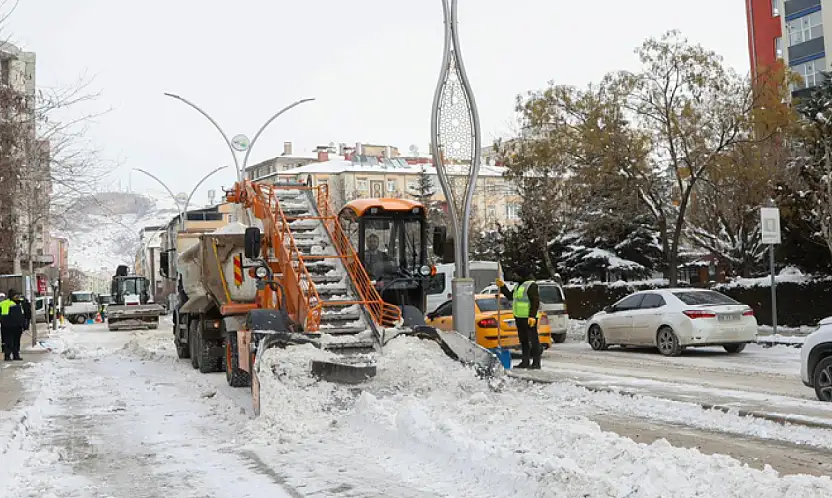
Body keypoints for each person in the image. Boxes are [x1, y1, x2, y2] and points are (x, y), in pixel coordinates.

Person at [496, 268, 542, 369]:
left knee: (533, 341)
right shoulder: (518, 286)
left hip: (529, 318)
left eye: (516, 274)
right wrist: (502, 286)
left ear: (522, 275)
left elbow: (535, 302)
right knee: (523, 340)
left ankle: (536, 363)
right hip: (519, 317)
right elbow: (510, 296)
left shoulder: (531, 285)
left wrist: (532, 316)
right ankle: (525, 361)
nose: (514, 277)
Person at [1, 289, 28, 361]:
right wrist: (5, 324)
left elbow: (22, 315)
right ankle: (7, 356)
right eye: (15, 295)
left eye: (17, 295)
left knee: (17, 342)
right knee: (9, 342)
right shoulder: (5, 303)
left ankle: (16, 355)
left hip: (18, 327)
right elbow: (3, 316)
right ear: (11, 296)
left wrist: (24, 324)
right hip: (8, 327)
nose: (17, 296)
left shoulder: (19, 304)